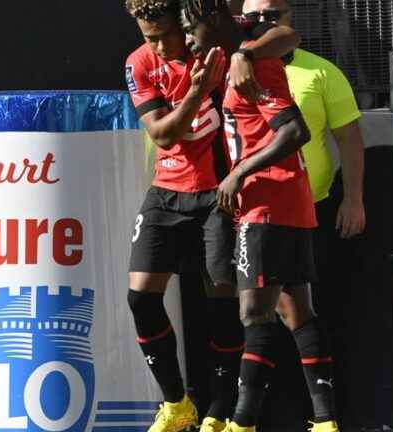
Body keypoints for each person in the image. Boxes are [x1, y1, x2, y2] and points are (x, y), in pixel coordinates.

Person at [124, 1, 300, 431]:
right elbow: (163, 132)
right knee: (141, 296)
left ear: (183, 24)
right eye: (150, 38)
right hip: (167, 191)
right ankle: (175, 402)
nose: (161, 46)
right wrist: (197, 95)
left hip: (219, 195)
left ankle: (219, 413)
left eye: (167, 35)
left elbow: (289, 35)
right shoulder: (140, 63)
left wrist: (245, 53)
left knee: (222, 304)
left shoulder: (213, 40)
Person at [180, 0, 339, 431]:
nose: (189, 40)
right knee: (296, 309)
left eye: (191, 29)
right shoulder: (239, 45)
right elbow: (282, 34)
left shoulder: (256, 63)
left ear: (211, 21)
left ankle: (242, 422)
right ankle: (325, 421)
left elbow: (295, 131)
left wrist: (239, 173)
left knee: (253, 311)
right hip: (286, 200)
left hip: (267, 201)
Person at [241, 0, 366, 426]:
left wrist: (354, 199)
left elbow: (349, 139)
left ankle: (319, 417)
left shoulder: (320, 72)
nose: (262, 22)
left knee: (300, 311)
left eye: (272, 14)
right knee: (258, 312)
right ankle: (252, 417)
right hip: (251, 212)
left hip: (310, 211)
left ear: (289, 17)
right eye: (253, 14)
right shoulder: (232, 64)